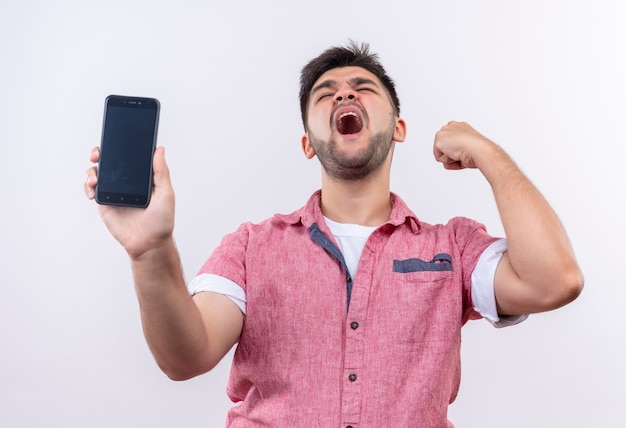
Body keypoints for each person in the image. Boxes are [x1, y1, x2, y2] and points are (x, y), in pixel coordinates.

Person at [84, 41, 584, 427]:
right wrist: (149, 252)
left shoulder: (452, 248)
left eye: (363, 87)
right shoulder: (252, 246)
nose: (344, 93)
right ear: (308, 144)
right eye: (326, 93)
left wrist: (487, 153)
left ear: (400, 127)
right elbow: (184, 357)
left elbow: (554, 280)